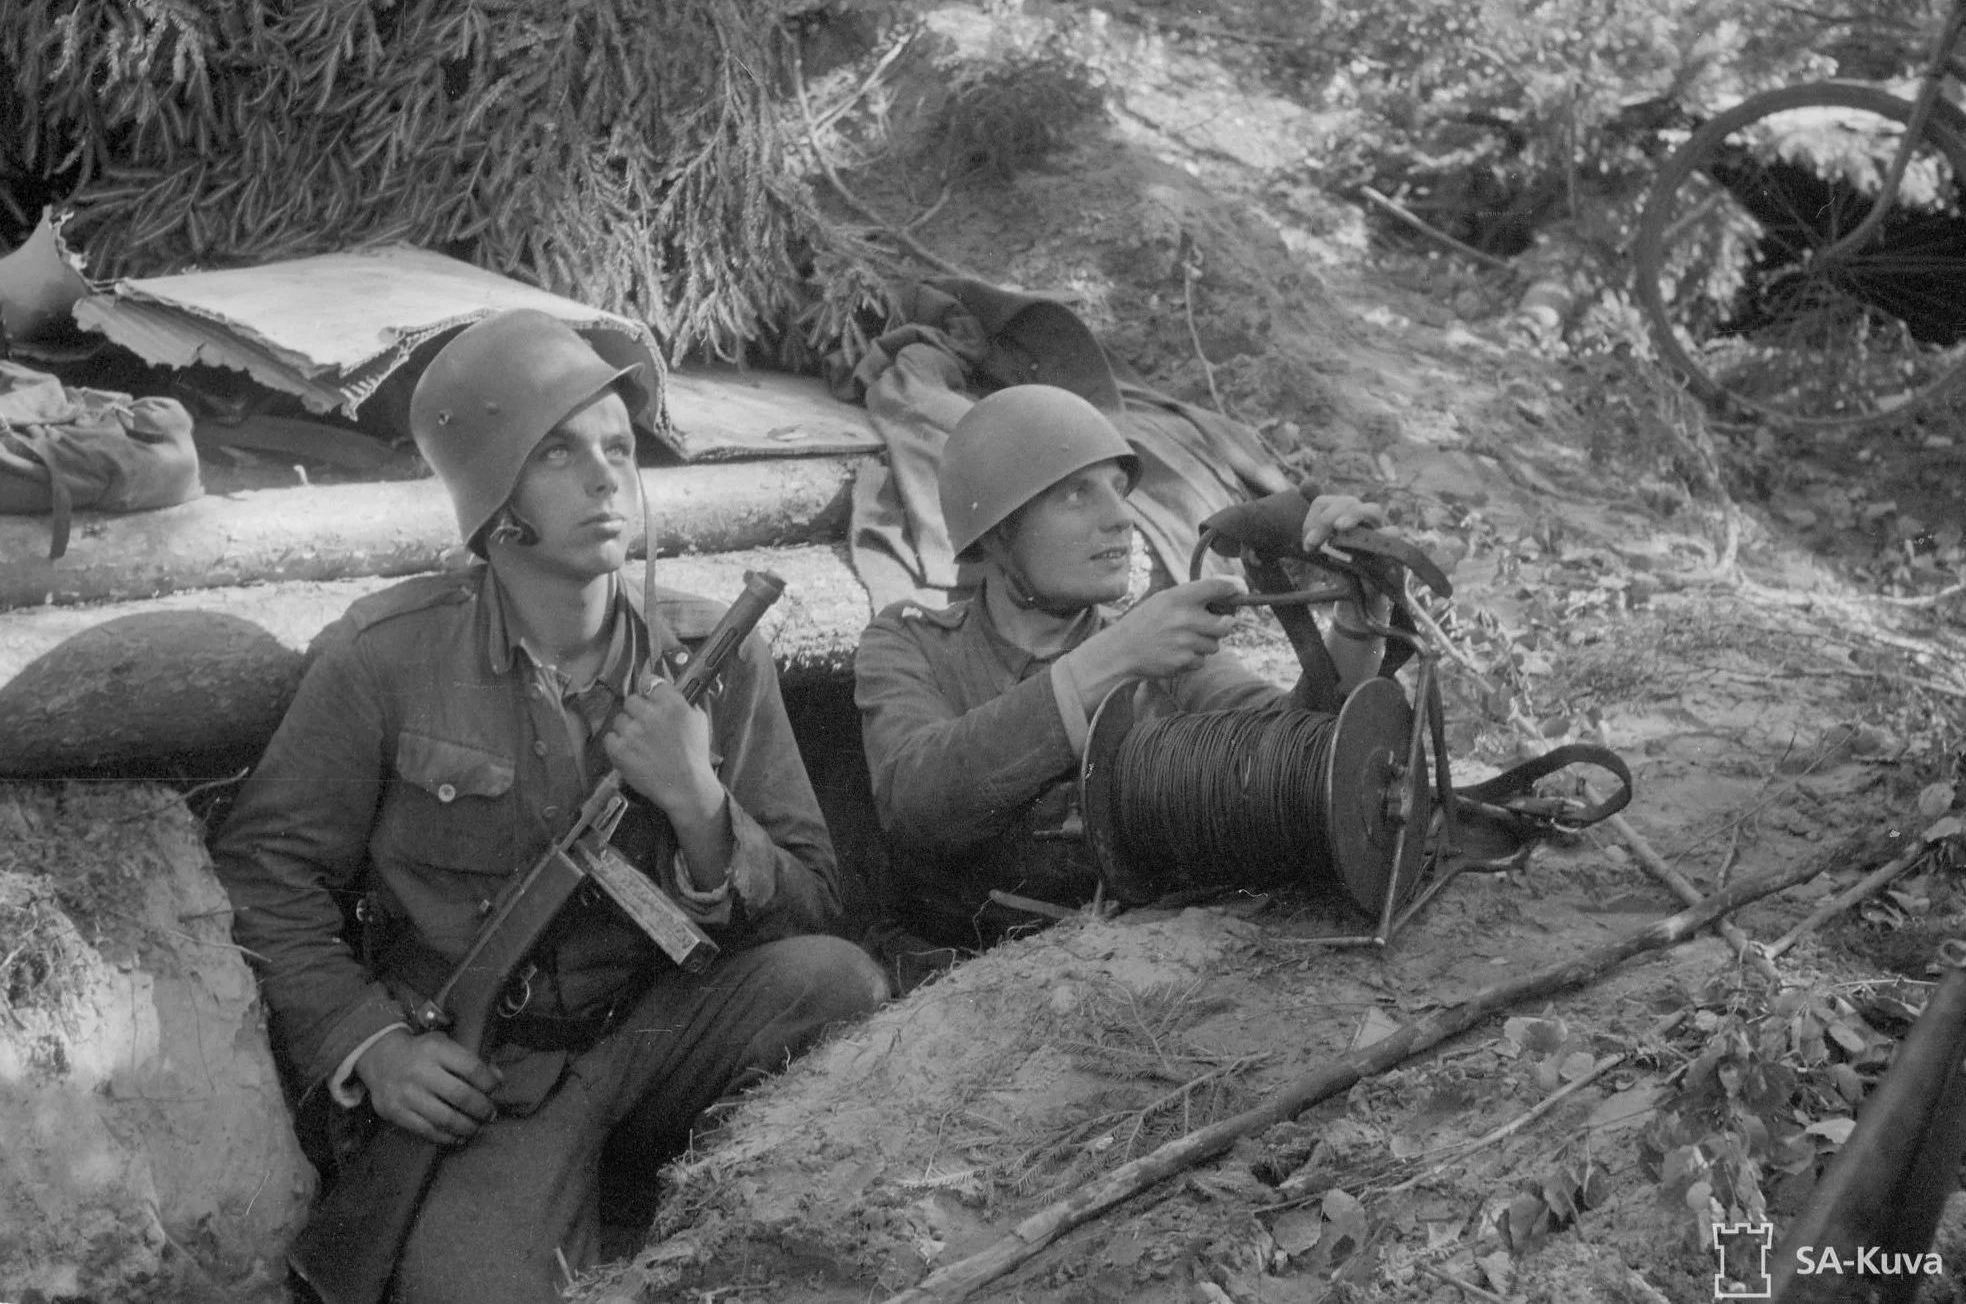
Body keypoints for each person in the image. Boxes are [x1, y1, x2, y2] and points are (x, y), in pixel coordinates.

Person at [213, 309, 887, 1304]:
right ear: (496, 498)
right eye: (561, 452)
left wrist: (700, 803)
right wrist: (376, 1045)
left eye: (618, 446)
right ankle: (533, 1194)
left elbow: (815, 897)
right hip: (500, 1075)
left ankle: (678, 1196)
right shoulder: (384, 659)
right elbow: (267, 869)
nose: (607, 475)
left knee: (839, 983)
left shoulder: (715, 655)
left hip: (664, 1028)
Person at [854, 383, 1387, 957]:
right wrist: (1113, 660)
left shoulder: (1156, 644)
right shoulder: (910, 643)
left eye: (1117, 490)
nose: (1121, 519)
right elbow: (917, 802)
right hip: (939, 980)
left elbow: (1290, 752)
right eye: (1077, 496)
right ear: (998, 532)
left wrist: (1357, 619)